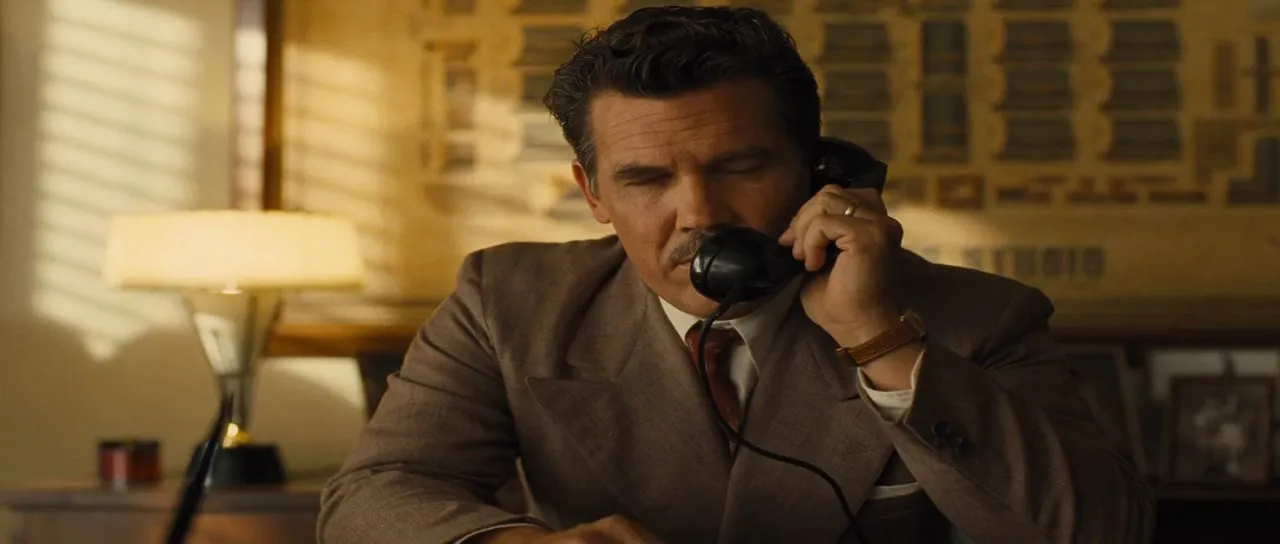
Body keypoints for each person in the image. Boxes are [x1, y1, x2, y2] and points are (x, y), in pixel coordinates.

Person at [319, 6, 1154, 543]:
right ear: (593, 193)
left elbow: (1098, 531)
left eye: (741, 166)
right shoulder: (506, 302)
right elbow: (373, 496)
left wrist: (879, 340)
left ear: (819, 170)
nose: (700, 214)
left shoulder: (977, 316)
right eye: (646, 180)